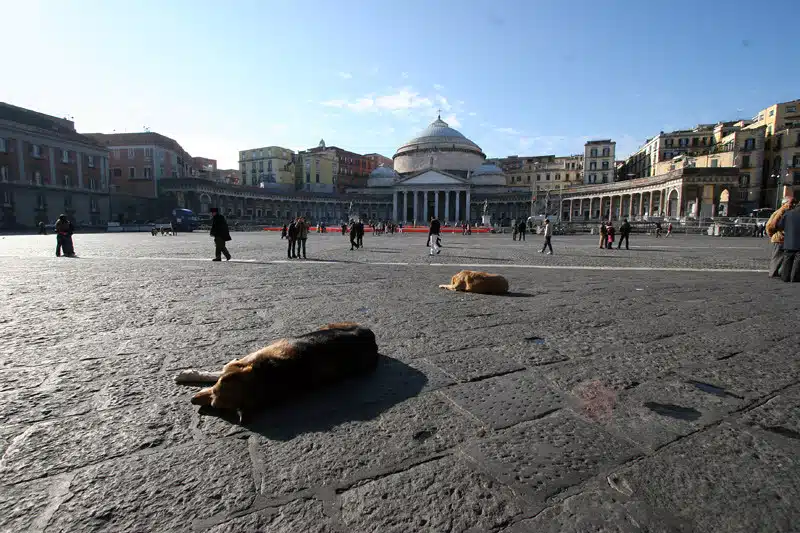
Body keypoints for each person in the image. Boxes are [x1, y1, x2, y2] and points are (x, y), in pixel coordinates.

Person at [766, 197, 797, 278]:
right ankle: (773, 274)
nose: (794, 204)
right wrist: (774, 235)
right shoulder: (780, 212)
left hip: (784, 239)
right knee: (777, 258)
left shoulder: (789, 212)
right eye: (791, 202)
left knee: (783, 259)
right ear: (784, 203)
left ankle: (780, 274)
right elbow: (770, 226)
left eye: (794, 203)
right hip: (779, 239)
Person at [776, 201, 800, 282]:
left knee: (787, 260)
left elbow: (780, 226)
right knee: (797, 262)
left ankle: (785, 277)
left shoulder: (788, 213)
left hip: (789, 241)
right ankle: (794, 278)